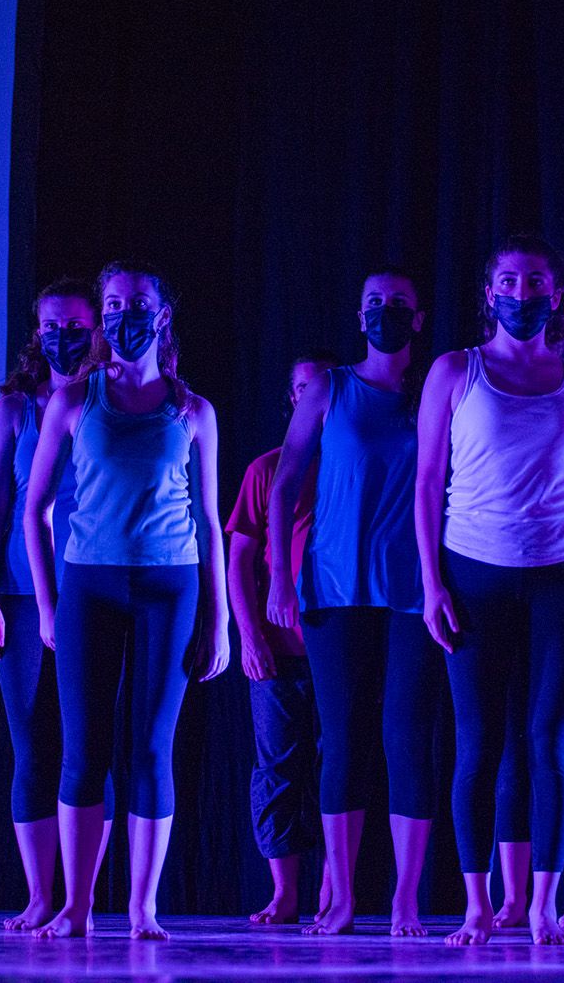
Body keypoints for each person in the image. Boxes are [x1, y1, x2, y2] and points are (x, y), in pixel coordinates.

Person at [415, 234, 564, 947]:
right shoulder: (455, 371)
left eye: (536, 281)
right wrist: (431, 583)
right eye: (508, 280)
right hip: (473, 570)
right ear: (489, 292)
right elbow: (426, 482)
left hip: (562, 575)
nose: (521, 292)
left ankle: (543, 904)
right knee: (477, 742)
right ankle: (478, 906)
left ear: (558, 295)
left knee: (549, 741)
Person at [24, 260, 229, 941]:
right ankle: (77, 907)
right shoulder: (75, 401)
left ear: (162, 314)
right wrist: (49, 606)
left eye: (137, 303)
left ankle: (142, 909)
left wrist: (220, 621)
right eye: (112, 304)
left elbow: (208, 519)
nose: (122, 315)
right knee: (83, 751)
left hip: (171, 585)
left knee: (150, 748)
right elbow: (35, 510)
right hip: (91, 583)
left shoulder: (193, 410)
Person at [267, 268, 443, 938]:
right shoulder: (329, 388)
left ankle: (404, 900)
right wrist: (282, 578)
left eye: (397, 303)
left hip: (411, 593)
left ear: (417, 318)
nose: (383, 312)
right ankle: (338, 896)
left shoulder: (431, 393)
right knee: (340, 741)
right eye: (372, 301)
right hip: (333, 589)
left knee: (406, 737)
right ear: (357, 312)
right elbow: (283, 485)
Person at [0, 279, 116, 931]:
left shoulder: (115, 404)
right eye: (52, 324)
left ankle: (79, 898)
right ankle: (39, 894)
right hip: (23, 594)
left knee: (89, 746)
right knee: (33, 745)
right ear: (38, 331)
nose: (64, 335)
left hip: (93, 588)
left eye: (77, 324)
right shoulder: (14, 411)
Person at [227, 349, 340, 925]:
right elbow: (240, 559)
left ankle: (332, 891)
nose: (309, 396)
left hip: (338, 647)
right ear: (291, 399)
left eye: (320, 386)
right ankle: (285, 892)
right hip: (277, 648)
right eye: (300, 388)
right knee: (277, 767)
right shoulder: (266, 469)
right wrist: (248, 637)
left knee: (336, 766)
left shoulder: (350, 464)